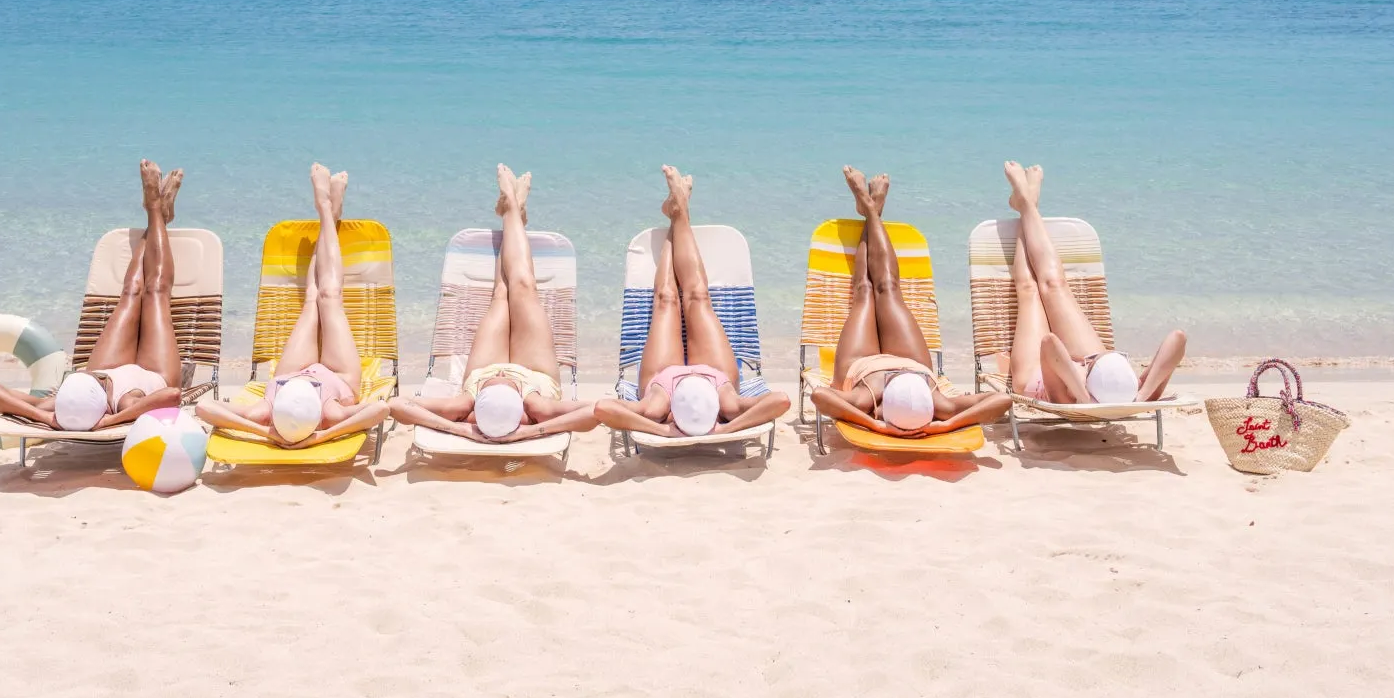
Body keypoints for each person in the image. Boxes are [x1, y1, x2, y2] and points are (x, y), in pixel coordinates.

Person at [388, 165, 600, 444]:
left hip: (480, 374)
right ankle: (514, 210)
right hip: (536, 379)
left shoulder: (463, 408)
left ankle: (512, 211)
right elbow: (600, 410)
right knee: (524, 286)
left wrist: (459, 428)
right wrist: (535, 430)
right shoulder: (539, 409)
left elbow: (394, 406)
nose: (503, 376)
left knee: (501, 291)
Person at [0, 160, 185, 431]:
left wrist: (45, 417)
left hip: (105, 368)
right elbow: (172, 396)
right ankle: (156, 208)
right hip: (155, 374)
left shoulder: (62, 403)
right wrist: (111, 420)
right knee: (155, 291)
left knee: (131, 292)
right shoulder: (128, 403)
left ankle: (158, 215)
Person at [196, 163, 393, 448]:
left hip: (288, 375)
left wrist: (266, 432)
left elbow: (204, 409)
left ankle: (329, 211)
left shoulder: (262, 413)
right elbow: (381, 409)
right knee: (329, 295)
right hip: (338, 376)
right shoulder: (330, 413)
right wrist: (322, 435)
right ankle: (327, 210)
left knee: (312, 298)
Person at [809, 167, 1012, 438]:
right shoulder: (942, 405)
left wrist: (874, 424)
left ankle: (870, 208)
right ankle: (871, 209)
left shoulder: (863, 399)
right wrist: (948, 423)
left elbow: (821, 396)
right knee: (889, 288)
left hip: (863, 369)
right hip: (913, 364)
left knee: (865, 291)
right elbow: (1003, 400)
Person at [594, 165, 792, 440]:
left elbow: (603, 408)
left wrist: (662, 429)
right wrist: (726, 427)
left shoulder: (654, 410)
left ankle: (677, 212)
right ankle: (679, 211)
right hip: (716, 378)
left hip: (663, 381)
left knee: (666, 299)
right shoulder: (730, 406)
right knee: (698, 296)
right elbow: (781, 400)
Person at [1000, 160, 1186, 404]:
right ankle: (1026, 203)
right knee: (1056, 284)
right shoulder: (1127, 391)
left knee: (1030, 289)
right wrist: (1141, 394)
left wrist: (1082, 395)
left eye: (1093, 363)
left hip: (1037, 374)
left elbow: (1049, 344)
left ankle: (1026, 202)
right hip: (1091, 373)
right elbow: (1178, 338)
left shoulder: (1066, 399)